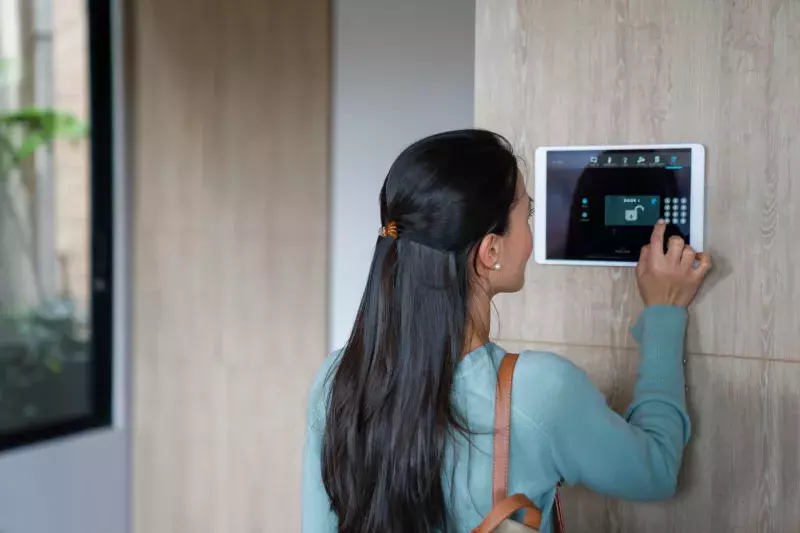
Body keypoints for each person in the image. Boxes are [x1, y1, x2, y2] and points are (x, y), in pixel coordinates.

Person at [301, 130, 712, 533]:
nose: (533, 237)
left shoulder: (338, 379)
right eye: (527, 215)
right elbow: (656, 471)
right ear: (491, 250)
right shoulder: (540, 391)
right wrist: (663, 314)